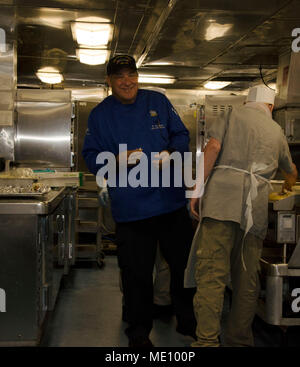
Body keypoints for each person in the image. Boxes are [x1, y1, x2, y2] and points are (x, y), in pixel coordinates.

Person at [82, 54, 196, 347]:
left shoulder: (157, 101)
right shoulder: (100, 115)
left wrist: (171, 154)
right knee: (137, 276)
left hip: (170, 204)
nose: (126, 81)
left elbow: (181, 135)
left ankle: (187, 321)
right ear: (109, 81)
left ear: (137, 76)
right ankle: (138, 333)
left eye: (131, 74)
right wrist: (117, 160)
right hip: (132, 211)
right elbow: (92, 157)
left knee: (183, 266)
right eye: (119, 76)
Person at [190, 84, 298, 347]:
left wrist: (196, 189)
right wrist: (287, 185)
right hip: (255, 212)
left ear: (248, 102)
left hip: (220, 206)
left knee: (212, 276)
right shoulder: (277, 130)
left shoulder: (230, 115)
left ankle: (207, 342)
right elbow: (291, 169)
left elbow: (213, 148)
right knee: (247, 279)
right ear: (270, 107)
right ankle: (239, 341)